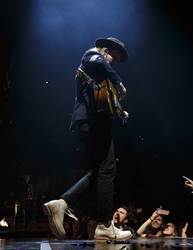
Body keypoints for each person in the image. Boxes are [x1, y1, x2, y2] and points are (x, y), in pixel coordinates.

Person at [42, 37, 132, 242]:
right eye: (114, 57)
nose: (113, 63)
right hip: (92, 122)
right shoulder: (92, 56)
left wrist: (120, 111)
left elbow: (104, 99)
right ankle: (104, 224)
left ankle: (62, 203)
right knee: (108, 167)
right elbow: (99, 62)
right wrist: (120, 83)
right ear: (106, 50)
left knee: (99, 170)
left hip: (88, 122)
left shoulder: (98, 73)